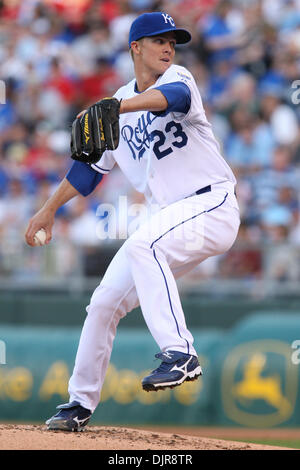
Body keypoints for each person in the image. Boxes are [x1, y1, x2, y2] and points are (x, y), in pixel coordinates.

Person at [25, 12, 240, 432]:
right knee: (104, 302)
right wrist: (48, 208)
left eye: (172, 42)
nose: (167, 48)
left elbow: (171, 98)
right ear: (135, 47)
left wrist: (118, 105)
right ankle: (78, 404)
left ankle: (180, 353)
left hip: (212, 204)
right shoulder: (119, 108)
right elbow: (88, 171)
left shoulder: (177, 79)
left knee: (145, 244)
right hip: (173, 217)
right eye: (159, 40)